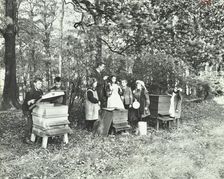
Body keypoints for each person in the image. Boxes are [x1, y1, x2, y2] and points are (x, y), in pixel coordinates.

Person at [22, 77, 43, 144]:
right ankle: (26, 139)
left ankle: (34, 138)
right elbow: (27, 103)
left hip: (34, 109)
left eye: (41, 84)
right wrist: (30, 101)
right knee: (30, 123)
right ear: (34, 84)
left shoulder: (40, 91)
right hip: (27, 109)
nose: (40, 85)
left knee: (36, 122)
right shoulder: (30, 92)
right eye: (39, 83)